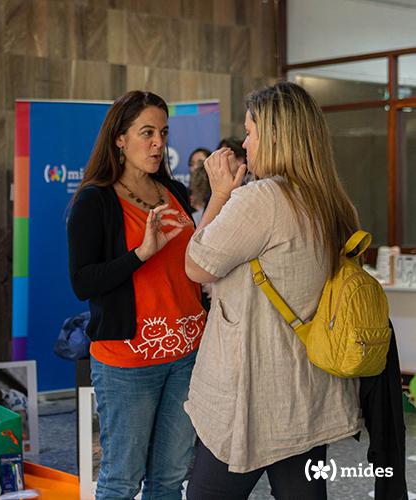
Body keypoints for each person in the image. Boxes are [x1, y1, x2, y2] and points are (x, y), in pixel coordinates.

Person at [183, 82, 363, 499]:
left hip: (252, 392)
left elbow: (196, 264)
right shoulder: (333, 200)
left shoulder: (261, 199)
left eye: (250, 131)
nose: (245, 144)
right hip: (312, 389)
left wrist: (221, 193)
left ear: (277, 135)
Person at [67, 90, 205, 499]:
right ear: (120, 140)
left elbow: (194, 263)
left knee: (170, 478)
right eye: (147, 132)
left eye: (163, 132)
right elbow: (82, 282)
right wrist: (141, 253)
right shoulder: (95, 200)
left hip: (187, 356)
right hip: (129, 362)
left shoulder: (175, 192)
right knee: (122, 479)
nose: (159, 143)